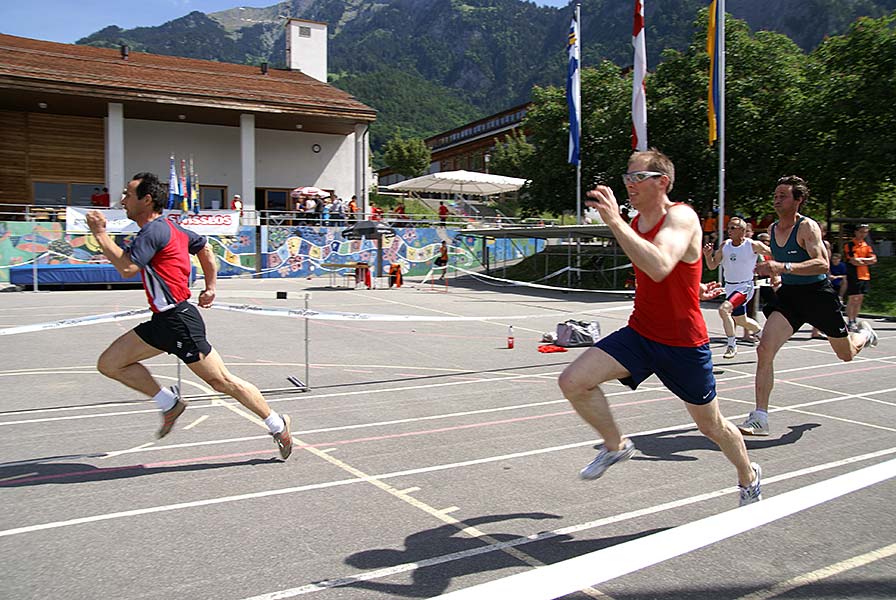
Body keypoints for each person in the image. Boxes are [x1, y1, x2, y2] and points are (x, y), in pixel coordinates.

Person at [558, 148, 762, 507]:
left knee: (711, 426)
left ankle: (748, 476)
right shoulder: (638, 223)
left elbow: (659, 265)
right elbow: (668, 275)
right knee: (573, 381)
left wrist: (615, 222)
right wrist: (693, 288)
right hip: (641, 333)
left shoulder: (681, 216)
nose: (629, 184)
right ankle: (615, 446)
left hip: (683, 344)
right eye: (627, 177)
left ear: (662, 182)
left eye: (638, 177)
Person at [85, 172, 293, 459]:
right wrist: (210, 287)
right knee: (110, 364)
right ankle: (169, 403)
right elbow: (204, 248)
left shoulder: (153, 231)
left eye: (128, 195)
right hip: (162, 321)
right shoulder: (173, 229)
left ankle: (277, 424)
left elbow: (127, 268)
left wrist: (100, 234)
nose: (122, 201)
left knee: (222, 382)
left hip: (180, 321)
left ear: (147, 200)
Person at [739, 176, 878, 437]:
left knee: (846, 354)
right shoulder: (772, 229)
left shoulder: (807, 227)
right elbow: (780, 260)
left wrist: (783, 267)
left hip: (817, 295)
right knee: (764, 348)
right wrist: (774, 272)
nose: (777, 200)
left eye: (783, 195)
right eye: (775, 195)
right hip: (790, 297)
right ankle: (760, 418)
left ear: (798, 200)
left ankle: (864, 335)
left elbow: (822, 264)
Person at [702, 217, 771, 358]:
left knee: (724, 310)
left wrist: (776, 271)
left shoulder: (752, 245)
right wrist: (708, 256)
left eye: (733, 228)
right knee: (741, 320)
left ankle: (731, 345)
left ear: (742, 231)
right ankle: (762, 334)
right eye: (728, 227)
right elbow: (712, 265)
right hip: (730, 287)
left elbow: (774, 253)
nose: (729, 230)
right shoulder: (725, 245)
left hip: (745, 286)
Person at [843, 224, 877, 332]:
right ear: (856, 232)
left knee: (860, 299)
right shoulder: (850, 245)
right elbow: (854, 261)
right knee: (853, 298)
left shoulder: (866, 245)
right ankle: (850, 321)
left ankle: (855, 319)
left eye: (865, 232)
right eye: (861, 231)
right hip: (854, 275)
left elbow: (874, 259)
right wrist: (866, 260)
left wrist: (863, 260)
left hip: (865, 275)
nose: (863, 234)